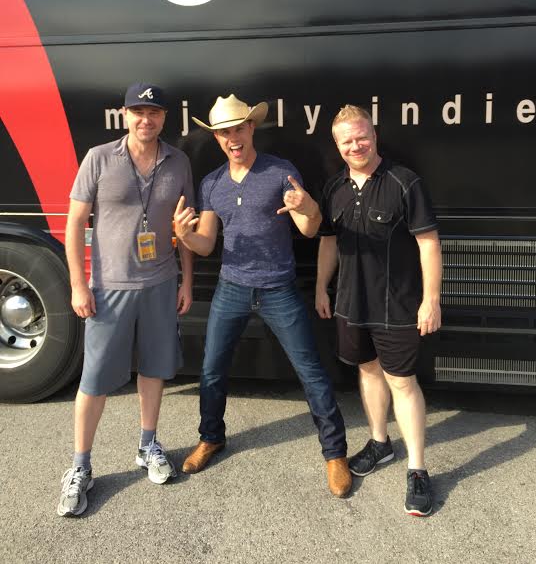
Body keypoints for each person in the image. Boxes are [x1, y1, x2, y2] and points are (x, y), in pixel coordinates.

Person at [173, 93, 351, 497]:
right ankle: (211, 437)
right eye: (223, 133)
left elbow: (309, 230)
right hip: (231, 288)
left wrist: (309, 208)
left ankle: (335, 453)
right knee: (212, 370)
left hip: (279, 289)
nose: (232, 138)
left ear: (251, 128)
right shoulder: (212, 183)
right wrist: (185, 235)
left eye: (238, 129)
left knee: (311, 373)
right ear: (217, 138)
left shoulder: (280, 172)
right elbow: (205, 244)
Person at [57, 82, 194, 517]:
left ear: (164, 118)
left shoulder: (179, 161)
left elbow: (185, 227)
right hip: (109, 288)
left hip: (160, 283)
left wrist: (187, 282)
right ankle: (80, 467)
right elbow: (75, 223)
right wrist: (79, 285)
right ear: (124, 114)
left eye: (153, 112)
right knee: (94, 380)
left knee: (153, 369)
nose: (145, 120)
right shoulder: (99, 157)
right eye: (137, 111)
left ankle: (148, 444)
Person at [315, 104, 442, 516]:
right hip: (351, 303)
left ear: (375, 134)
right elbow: (329, 242)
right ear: (337, 145)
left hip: (399, 305)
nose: (356, 145)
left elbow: (428, 243)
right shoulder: (333, 188)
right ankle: (379, 443)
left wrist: (431, 299)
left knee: (402, 382)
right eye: (347, 140)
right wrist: (321, 286)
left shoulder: (405, 183)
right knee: (367, 371)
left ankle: (418, 470)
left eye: (361, 136)